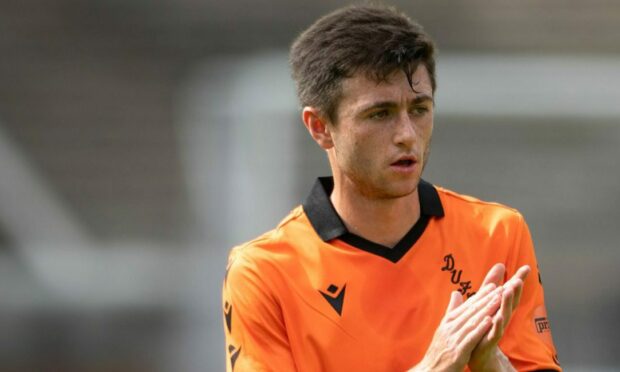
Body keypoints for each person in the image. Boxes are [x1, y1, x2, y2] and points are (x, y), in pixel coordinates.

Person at [222, 4, 561, 371]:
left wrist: (490, 364)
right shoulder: (263, 273)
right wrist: (433, 367)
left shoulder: (498, 234)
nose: (406, 135)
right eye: (379, 114)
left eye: (419, 109)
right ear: (319, 126)